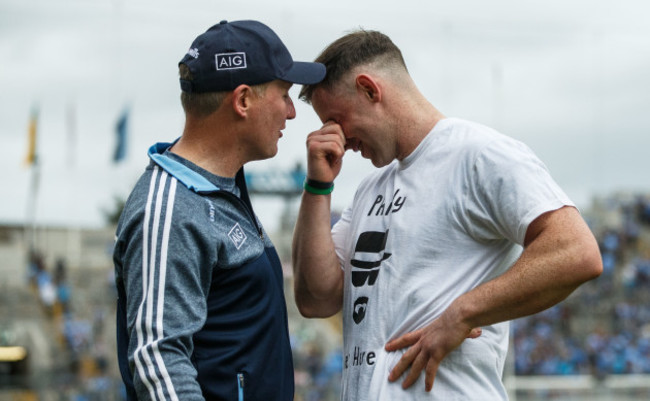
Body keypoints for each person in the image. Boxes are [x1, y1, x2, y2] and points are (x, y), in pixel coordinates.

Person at [291, 29, 603, 400]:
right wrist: (317, 188)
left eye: (337, 120)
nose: (334, 136)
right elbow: (315, 299)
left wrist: (463, 313)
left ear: (370, 90)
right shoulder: (369, 190)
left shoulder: (479, 154)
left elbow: (576, 252)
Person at [113, 20, 325, 400]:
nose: (292, 113)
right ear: (243, 100)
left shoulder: (222, 186)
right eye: (284, 95)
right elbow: (159, 363)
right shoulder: (172, 207)